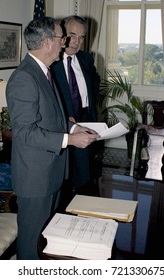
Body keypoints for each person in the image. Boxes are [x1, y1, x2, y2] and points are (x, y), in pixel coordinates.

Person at [6, 17, 98, 260]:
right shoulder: (25, 78)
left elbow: (52, 115)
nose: (65, 43)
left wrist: (73, 127)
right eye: (62, 38)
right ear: (48, 42)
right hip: (35, 178)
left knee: (46, 239)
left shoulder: (44, 71)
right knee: (31, 244)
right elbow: (25, 132)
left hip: (52, 173)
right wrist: (69, 140)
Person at [51, 15, 101, 204]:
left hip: (86, 119)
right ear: (62, 35)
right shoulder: (51, 61)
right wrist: (64, 115)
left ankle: (84, 212)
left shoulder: (86, 58)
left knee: (85, 174)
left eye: (81, 37)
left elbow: (95, 81)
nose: (76, 42)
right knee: (65, 177)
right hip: (63, 125)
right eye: (72, 35)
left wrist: (90, 105)